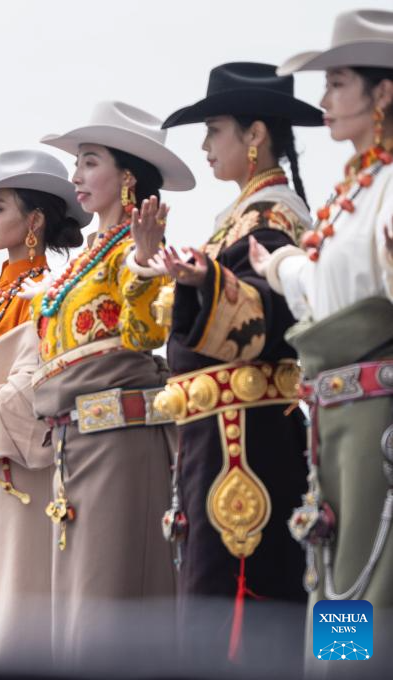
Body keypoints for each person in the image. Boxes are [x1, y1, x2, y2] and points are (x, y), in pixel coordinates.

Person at [156, 61, 322, 666]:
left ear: (255, 136)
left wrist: (209, 281)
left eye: (215, 129)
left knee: (272, 583)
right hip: (232, 434)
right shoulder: (244, 217)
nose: (204, 145)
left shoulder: (274, 217)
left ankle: (350, 668)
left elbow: (276, 319)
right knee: (275, 577)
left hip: (255, 438)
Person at [250, 8, 393, 670]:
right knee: (336, 572)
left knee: (369, 578)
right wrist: (277, 266)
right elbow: (324, 284)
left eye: (337, 83)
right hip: (335, 417)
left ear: (382, 92)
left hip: (379, 419)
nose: (323, 100)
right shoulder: (355, 189)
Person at [31, 101, 194, 665]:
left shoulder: (134, 249)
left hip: (120, 442)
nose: (75, 175)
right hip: (77, 445)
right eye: (77, 163)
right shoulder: (90, 255)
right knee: (78, 607)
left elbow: (145, 333)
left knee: (107, 607)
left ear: (127, 176)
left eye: (89, 161)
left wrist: (147, 266)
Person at [0, 149, 91, 668]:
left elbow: (37, 391)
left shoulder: (48, 295)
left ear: (35, 220)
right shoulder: (3, 294)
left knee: (14, 615)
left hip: (20, 472)